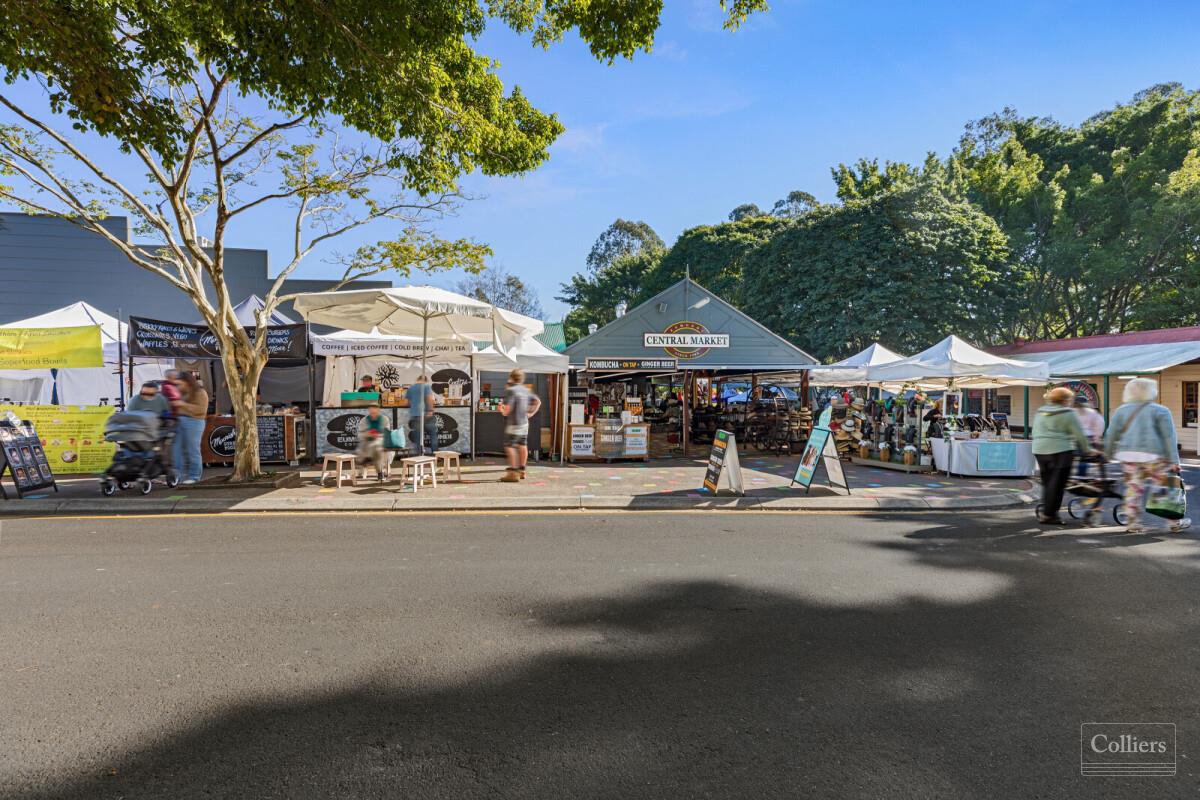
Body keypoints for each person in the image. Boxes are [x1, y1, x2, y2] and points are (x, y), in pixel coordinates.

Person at [1104, 377, 1190, 533]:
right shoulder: (1160, 410)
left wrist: (1107, 454)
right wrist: (1174, 461)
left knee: (1133, 488)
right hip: (1154, 456)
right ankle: (1174, 522)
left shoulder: (1120, 411)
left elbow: (1111, 435)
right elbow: (1169, 437)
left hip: (1128, 456)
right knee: (1166, 487)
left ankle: (1132, 524)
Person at [1031, 387, 1093, 525]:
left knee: (1048, 482)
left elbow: (1034, 430)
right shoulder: (1068, 413)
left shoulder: (1041, 411)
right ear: (1065, 400)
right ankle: (1050, 515)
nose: (1071, 401)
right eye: (1070, 399)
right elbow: (1079, 434)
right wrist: (1088, 449)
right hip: (1060, 450)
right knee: (1058, 484)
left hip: (1040, 449)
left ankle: (1047, 510)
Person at [499, 368, 541, 483]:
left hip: (514, 423)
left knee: (509, 446)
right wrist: (531, 413)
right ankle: (522, 470)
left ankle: (513, 472)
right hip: (524, 422)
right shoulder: (526, 390)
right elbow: (538, 402)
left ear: (511, 377)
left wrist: (502, 410)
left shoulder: (511, 390)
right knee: (522, 445)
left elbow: (507, 410)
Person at [171, 372, 209, 485]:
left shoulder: (200, 392)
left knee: (193, 450)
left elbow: (200, 410)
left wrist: (182, 405)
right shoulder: (181, 392)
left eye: (179, 384)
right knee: (176, 450)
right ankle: (177, 476)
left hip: (195, 422)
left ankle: (194, 476)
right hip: (180, 421)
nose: (177, 387)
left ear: (187, 383)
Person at [1073, 394, 1106, 477]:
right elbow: (1100, 424)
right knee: (1084, 458)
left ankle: (1071, 476)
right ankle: (1082, 475)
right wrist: (1097, 437)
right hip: (1089, 438)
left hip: (1074, 438)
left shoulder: (1071, 411)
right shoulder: (1092, 412)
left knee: (1072, 457)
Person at [356, 403, 391, 479]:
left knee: (376, 447)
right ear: (369, 410)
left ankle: (368, 460)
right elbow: (360, 434)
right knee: (374, 448)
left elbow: (387, 433)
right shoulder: (364, 420)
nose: (373, 412)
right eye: (371, 410)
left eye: (374, 410)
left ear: (378, 410)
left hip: (380, 440)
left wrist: (378, 435)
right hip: (367, 441)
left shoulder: (384, 419)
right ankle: (380, 472)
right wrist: (367, 434)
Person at [404, 375, 436, 455]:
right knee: (432, 434)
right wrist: (430, 410)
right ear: (425, 380)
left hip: (415, 415)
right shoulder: (426, 386)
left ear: (417, 379)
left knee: (418, 438)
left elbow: (407, 403)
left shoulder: (411, 388)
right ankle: (436, 454)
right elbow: (430, 399)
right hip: (426, 415)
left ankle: (419, 456)